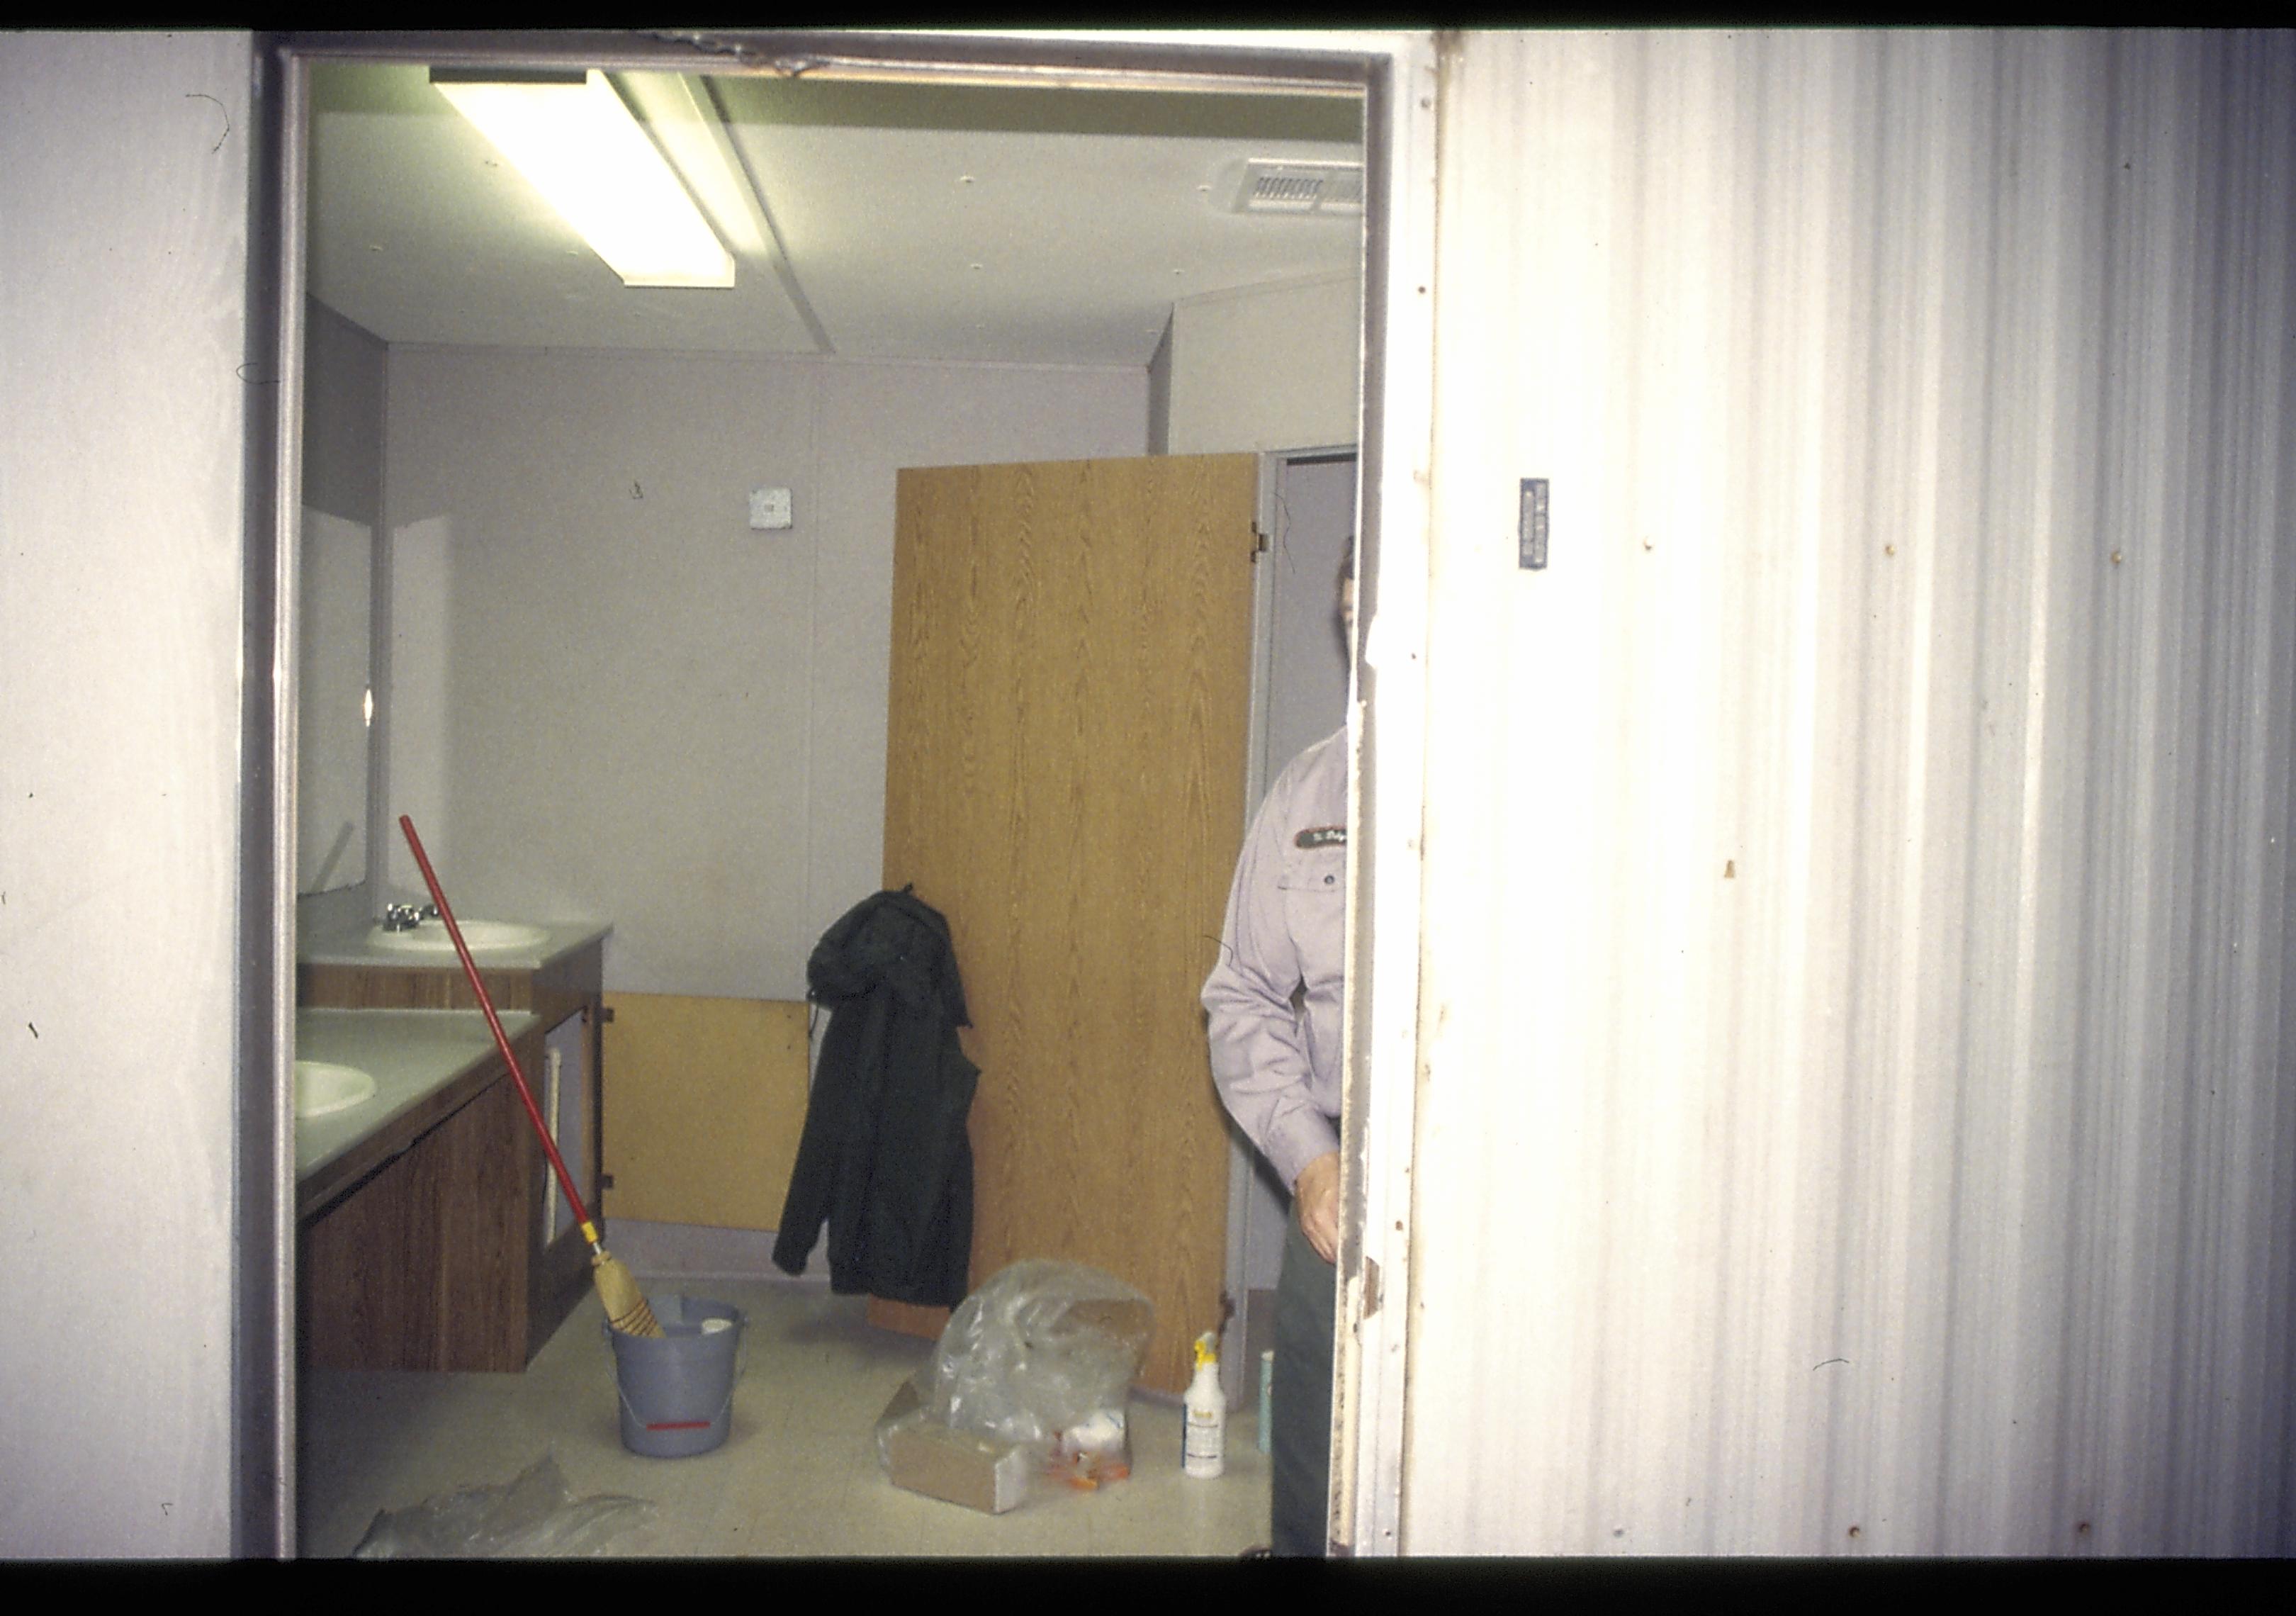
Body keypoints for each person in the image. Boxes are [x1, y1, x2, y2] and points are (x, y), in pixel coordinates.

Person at [1201, 549, 1353, 1558]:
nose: (1362, 634)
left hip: (1503, 1156)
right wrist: (1309, 1157)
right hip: (1342, 1153)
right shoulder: (1307, 794)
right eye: (1348, 612)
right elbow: (1244, 996)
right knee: (1310, 1387)